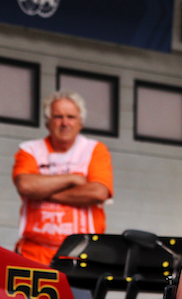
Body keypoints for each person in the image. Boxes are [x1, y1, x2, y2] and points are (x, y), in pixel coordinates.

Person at [13, 92, 114, 265]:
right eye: (58, 117)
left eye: (71, 117)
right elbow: (25, 186)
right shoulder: (29, 150)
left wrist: (44, 192)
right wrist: (72, 179)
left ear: (80, 123)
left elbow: (99, 192)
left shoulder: (94, 150)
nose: (65, 123)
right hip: (34, 256)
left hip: (83, 257)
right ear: (47, 122)